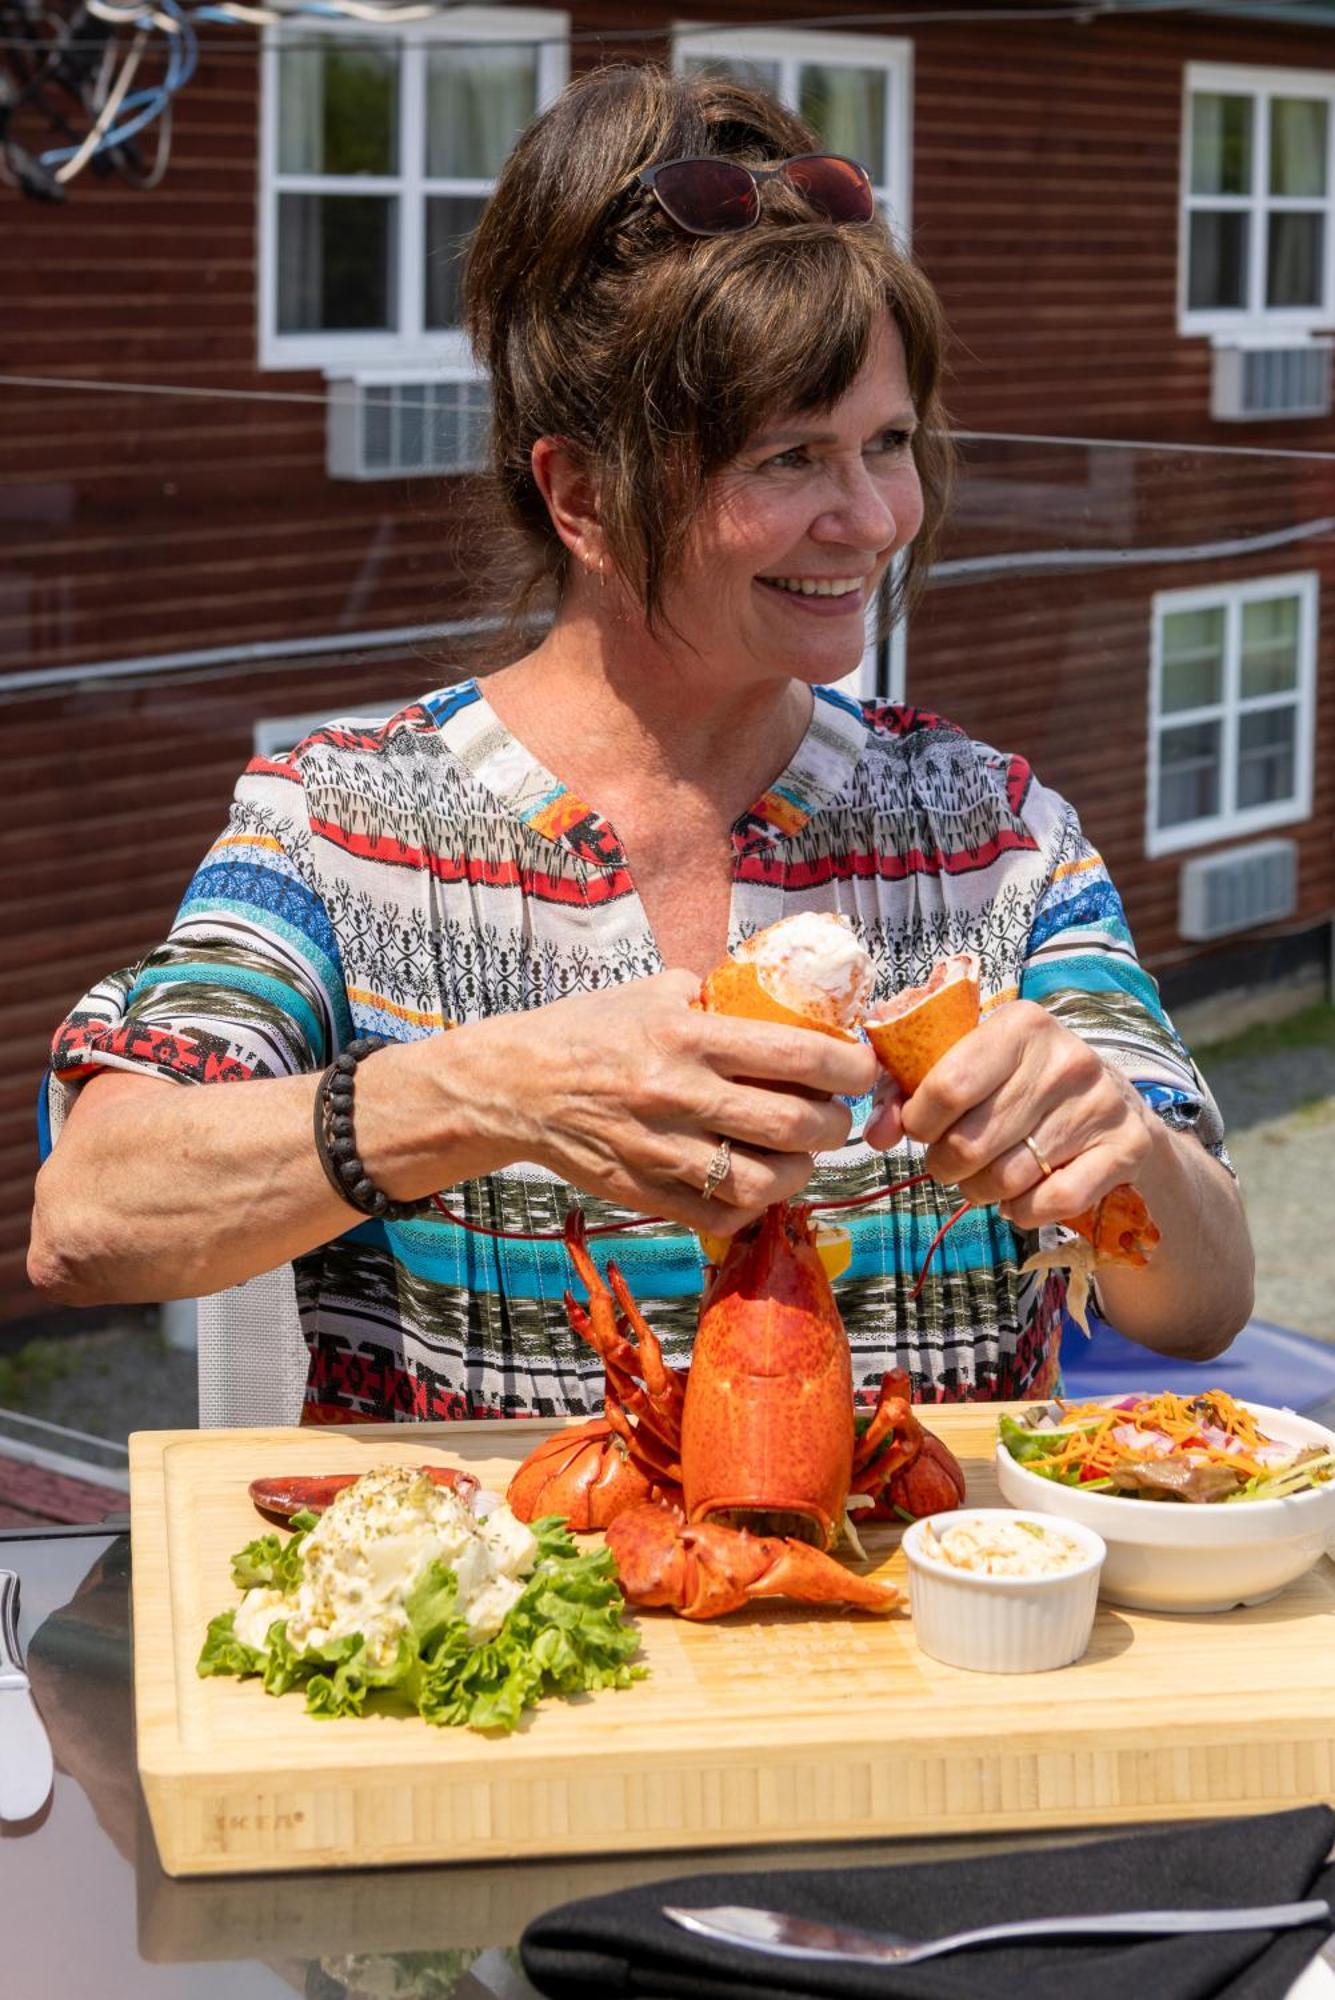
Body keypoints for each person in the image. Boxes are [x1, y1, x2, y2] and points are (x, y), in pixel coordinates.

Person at [28, 65, 1253, 1419]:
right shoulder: (340, 828)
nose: (871, 517)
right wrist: (485, 1090)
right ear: (585, 494)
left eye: (888, 442)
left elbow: (1203, 1304)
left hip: (935, 1627)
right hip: (505, 1626)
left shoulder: (997, 832)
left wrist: (1120, 1142)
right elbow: (89, 1215)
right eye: (789, 458)